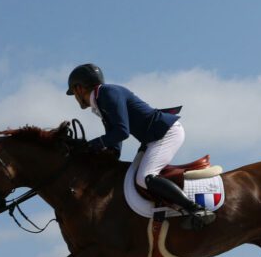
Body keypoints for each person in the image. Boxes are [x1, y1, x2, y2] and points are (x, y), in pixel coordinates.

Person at [66, 63, 216, 230]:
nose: (75, 97)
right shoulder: (101, 99)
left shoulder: (107, 94)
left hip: (166, 133)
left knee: (145, 177)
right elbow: (115, 136)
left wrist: (92, 145)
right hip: (152, 138)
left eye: (74, 93)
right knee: (129, 176)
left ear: (79, 88)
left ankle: (195, 209)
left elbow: (122, 131)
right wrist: (110, 156)